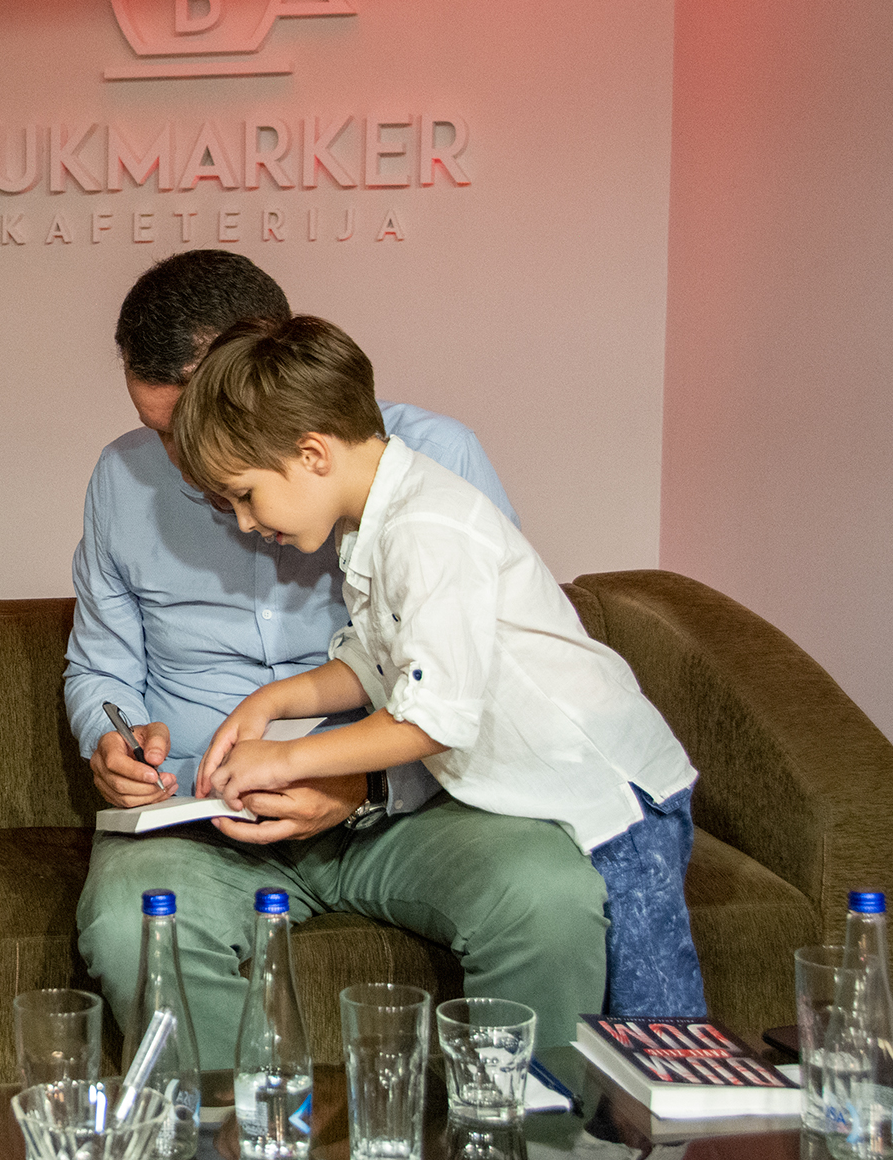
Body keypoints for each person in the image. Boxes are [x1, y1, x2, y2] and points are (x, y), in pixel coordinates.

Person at [67, 250, 610, 1053]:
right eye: (162, 434)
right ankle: (242, 1135)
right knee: (128, 925)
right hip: (200, 822)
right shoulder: (121, 479)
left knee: (551, 896)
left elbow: (483, 680)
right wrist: (109, 737)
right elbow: (100, 666)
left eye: (189, 429)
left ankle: (524, 1131)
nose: (183, 464)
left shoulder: (432, 467)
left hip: (410, 814)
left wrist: (365, 786)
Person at [178, 313, 705, 1018]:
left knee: (652, 1030)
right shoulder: (375, 524)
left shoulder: (426, 528)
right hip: (568, 799)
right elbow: (379, 663)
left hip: (614, 804)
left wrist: (286, 761)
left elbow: (430, 719)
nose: (245, 522)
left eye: (245, 494)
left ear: (312, 453)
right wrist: (272, 701)